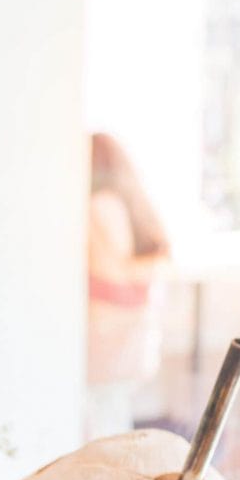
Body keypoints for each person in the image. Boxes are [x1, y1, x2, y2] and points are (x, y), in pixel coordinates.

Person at [87, 133, 170, 437]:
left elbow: (112, 274)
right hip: (130, 339)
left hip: (107, 340)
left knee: (103, 427)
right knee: (112, 419)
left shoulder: (99, 204)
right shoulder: (126, 202)